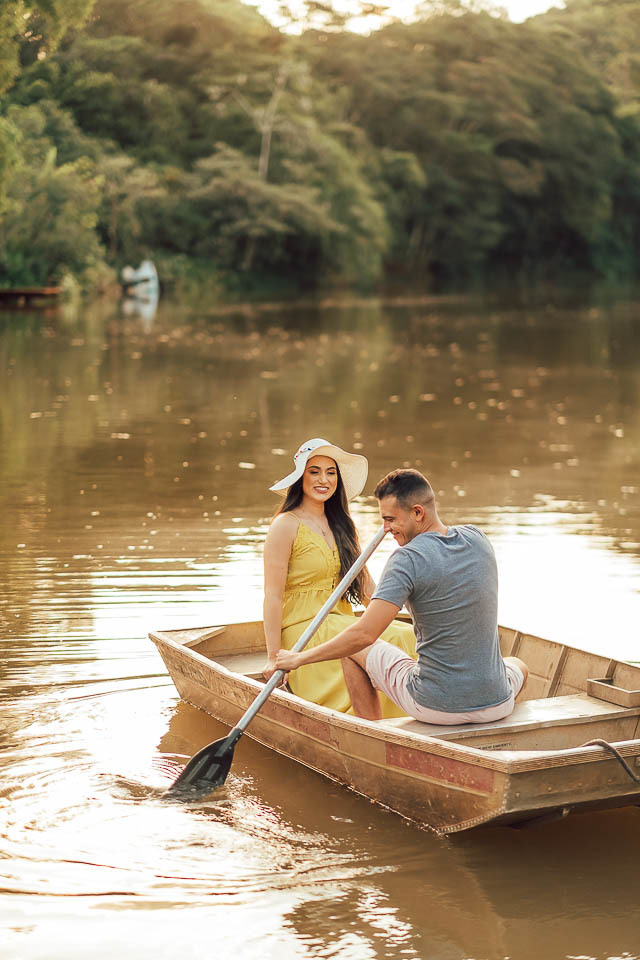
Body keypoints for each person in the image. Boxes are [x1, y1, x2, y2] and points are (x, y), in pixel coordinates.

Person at [275, 468, 528, 723]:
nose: (386, 529)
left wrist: (298, 658)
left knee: (354, 649)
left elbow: (364, 635)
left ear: (418, 512)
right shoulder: (478, 538)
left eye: (390, 519)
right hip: (499, 703)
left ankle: (373, 733)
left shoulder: (406, 559)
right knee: (519, 665)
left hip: (434, 707)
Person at [263, 439, 416, 717]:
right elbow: (272, 596)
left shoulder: (342, 525)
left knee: (405, 634)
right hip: (303, 629)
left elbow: (367, 587)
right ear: (300, 478)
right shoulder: (285, 525)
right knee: (390, 638)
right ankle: (376, 719)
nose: (324, 480)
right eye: (314, 472)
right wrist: (275, 658)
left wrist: (417, 617)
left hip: (340, 621)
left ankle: (415, 713)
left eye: (331, 472)